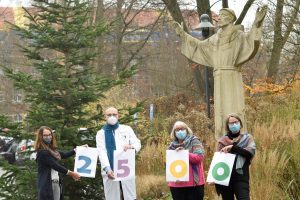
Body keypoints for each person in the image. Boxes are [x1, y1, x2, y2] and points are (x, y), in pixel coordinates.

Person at [173, 6, 268, 139]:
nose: (219, 19)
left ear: (230, 19)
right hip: (218, 77)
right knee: (221, 111)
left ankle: (238, 136)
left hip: (232, 75)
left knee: (235, 107)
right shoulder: (215, 39)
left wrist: (257, 23)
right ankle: (222, 138)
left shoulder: (238, 36)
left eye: (223, 16)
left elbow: (251, 41)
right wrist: (182, 34)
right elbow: (199, 46)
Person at [96, 107, 141, 200]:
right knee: (113, 197)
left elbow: (137, 143)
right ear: (105, 117)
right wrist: (107, 169)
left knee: (129, 196)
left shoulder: (127, 129)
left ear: (118, 116)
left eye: (114, 114)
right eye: (109, 115)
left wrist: (132, 147)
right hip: (110, 171)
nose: (112, 117)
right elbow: (101, 152)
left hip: (125, 169)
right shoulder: (101, 133)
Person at [215, 113, 256, 200]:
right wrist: (215, 179)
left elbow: (249, 153)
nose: (234, 125)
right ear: (227, 126)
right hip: (225, 179)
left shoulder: (248, 138)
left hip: (241, 177)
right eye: (231, 123)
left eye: (236, 122)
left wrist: (233, 148)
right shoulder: (222, 141)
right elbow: (218, 162)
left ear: (240, 124)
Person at [34, 126, 81, 200]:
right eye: (45, 135)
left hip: (55, 183)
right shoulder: (43, 152)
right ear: (40, 137)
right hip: (48, 185)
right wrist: (71, 173)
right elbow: (55, 166)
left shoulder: (51, 150)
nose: (48, 137)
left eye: (50, 135)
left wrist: (78, 149)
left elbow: (64, 155)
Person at [167, 121, 205, 200]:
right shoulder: (171, 146)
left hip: (193, 184)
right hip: (176, 184)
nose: (180, 131)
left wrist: (184, 154)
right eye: (177, 130)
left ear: (187, 130)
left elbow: (199, 157)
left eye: (182, 129)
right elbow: (169, 164)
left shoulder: (194, 141)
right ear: (174, 132)